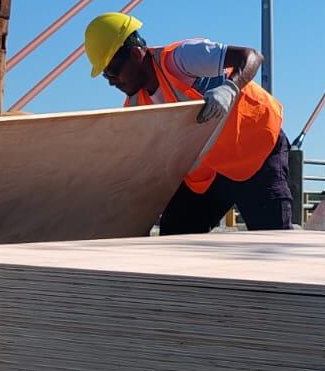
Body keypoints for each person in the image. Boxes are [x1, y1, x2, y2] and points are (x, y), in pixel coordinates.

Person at [84, 12, 293, 235]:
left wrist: (229, 88)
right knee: (176, 232)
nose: (112, 82)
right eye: (106, 76)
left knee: (272, 237)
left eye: (113, 71)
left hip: (256, 149)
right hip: (212, 170)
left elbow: (251, 56)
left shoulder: (180, 59)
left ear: (136, 54)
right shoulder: (136, 105)